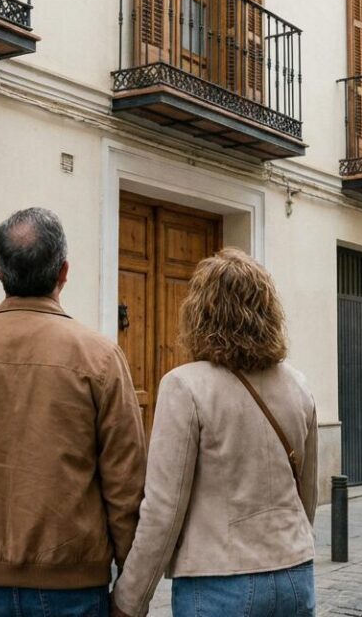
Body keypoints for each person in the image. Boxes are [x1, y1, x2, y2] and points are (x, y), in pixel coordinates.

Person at [0, 207, 147, 617]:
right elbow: (126, 484)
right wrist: (131, 582)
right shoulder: (100, 358)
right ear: (64, 272)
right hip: (74, 587)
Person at [112, 248, 318, 617]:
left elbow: (164, 508)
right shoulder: (297, 386)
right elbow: (308, 494)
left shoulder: (185, 387)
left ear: (200, 313)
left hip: (220, 580)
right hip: (294, 573)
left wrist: (131, 598)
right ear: (268, 312)